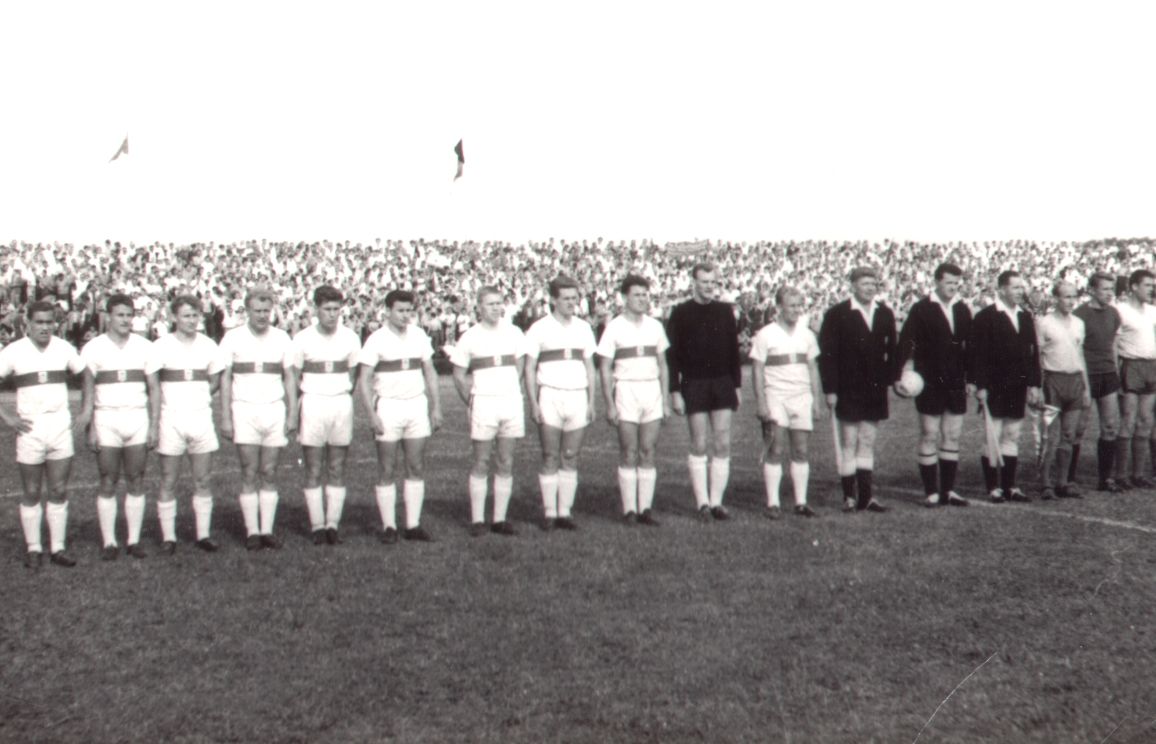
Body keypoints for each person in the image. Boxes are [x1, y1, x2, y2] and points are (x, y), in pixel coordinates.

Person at [0, 300, 86, 568]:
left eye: (50, 322)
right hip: (30, 427)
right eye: (39, 322)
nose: (45, 327)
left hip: (60, 424)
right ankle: (34, 547)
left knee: (59, 488)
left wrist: (85, 413)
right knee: (32, 490)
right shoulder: (13, 352)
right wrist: (7, 416)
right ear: (27, 323)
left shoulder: (64, 348)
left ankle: (58, 548)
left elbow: (87, 376)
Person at [357, 289, 441, 543]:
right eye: (400, 311)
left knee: (415, 466)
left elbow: (430, 372)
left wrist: (436, 407)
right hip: (388, 407)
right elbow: (364, 379)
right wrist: (371, 414)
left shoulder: (418, 336)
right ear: (388, 312)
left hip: (416, 405)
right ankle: (389, 526)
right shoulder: (376, 340)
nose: (405, 316)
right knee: (387, 468)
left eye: (409, 311)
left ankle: (412, 525)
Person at [77, 293, 157, 560]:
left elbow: (154, 389)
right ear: (108, 317)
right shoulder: (93, 348)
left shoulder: (145, 347)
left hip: (136, 419)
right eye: (120, 315)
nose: (125, 320)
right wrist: (90, 427)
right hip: (106, 419)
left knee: (136, 479)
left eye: (128, 315)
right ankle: (109, 542)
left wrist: (154, 425)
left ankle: (133, 541)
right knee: (108, 480)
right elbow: (87, 392)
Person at [218, 286, 298, 551]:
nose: (262, 315)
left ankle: (267, 530)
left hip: (274, 409)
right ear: (247, 311)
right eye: (257, 310)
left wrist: (292, 412)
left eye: (266, 310)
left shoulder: (282, 337)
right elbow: (226, 378)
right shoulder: (232, 338)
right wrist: (226, 416)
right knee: (249, 471)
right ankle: (252, 531)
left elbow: (289, 377)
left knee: (270, 471)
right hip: (244, 409)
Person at [146, 295, 226, 553]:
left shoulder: (208, 345)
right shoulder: (160, 346)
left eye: (195, 316)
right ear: (173, 318)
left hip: (201, 418)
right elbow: (154, 385)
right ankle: (169, 537)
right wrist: (156, 422)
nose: (191, 320)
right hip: (171, 420)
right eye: (185, 316)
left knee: (202, 480)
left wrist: (199, 397)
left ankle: (203, 535)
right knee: (168, 480)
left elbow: (215, 381)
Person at [666, 263, 742, 521]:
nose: (710, 286)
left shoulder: (725, 311)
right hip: (694, 383)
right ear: (694, 283)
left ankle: (717, 502)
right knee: (699, 442)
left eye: (713, 282)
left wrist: (737, 386)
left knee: (722, 442)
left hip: (722, 383)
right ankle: (702, 504)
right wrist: (675, 390)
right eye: (705, 281)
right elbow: (672, 356)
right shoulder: (680, 312)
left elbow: (733, 352)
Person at [818, 267, 897, 513]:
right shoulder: (837, 314)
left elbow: (892, 351)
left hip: (874, 388)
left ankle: (866, 497)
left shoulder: (884, 313)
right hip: (847, 387)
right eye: (865, 283)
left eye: (873, 283)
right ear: (853, 285)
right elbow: (827, 356)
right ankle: (848, 497)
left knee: (867, 441)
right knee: (849, 441)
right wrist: (830, 389)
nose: (870, 287)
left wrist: (890, 379)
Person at [451, 286, 528, 536]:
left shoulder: (514, 332)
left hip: (510, 402)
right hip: (483, 403)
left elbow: (520, 363)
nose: (496, 308)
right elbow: (459, 375)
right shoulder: (470, 336)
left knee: (505, 461)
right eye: (490, 304)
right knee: (481, 461)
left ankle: (499, 519)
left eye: (498, 303)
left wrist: (509, 388)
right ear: (479, 308)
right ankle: (477, 520)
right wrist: (472, 401)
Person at [895, 262, 972, 508]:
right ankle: (931, 492)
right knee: (929, 434)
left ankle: (948, 490)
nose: (953, 287)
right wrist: (898, 374)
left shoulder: (962, 309)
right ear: (937, 281)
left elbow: (971, 347)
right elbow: (905, 342)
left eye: (956, 283)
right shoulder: (921, 309)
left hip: (956, 381)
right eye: (949, 282)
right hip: (929, 381)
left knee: (952, 435)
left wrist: (972, 378)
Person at [524, 275, 598, 530]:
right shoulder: (539, 328)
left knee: (570, 455)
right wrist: (533, 402)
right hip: (550, 396)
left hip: (577, 396)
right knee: (549, 455)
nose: (571, 303)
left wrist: (591, 401)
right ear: (553, 300)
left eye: (574, 298)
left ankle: (564, 512)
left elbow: (590, 367)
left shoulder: (584, 328)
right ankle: (549, 513)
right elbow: (529, 367)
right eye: (565, 298)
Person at [596, 275, 671, 526]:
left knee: (648, 451)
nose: (643, 299)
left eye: (645, 294)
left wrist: (665, 400)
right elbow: (604, 368)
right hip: (626, 391)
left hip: (651, 391)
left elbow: (662, 365)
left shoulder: (655, 326)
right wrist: (609, 403)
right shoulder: (614, 327)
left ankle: (645, 509)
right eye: (637, 295)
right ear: (625, 297)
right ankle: (629, 509)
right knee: (629, 451)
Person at [289, 286, 361, 545]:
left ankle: (333, 524)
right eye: (327, 309)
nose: (332, 314)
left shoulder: (351, 337)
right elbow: (293, 376)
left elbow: (353, 375)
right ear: (316, 310)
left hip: (340, 403)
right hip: (312, 404)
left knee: (337, 466)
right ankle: (317, 525)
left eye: (336, 310)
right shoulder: (302, 339)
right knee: (313, 467)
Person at [969, 270, 1042, 503]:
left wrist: (1034, 384)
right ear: (1001, 289)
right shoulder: (985, 317)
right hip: (994, 387)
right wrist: (980, 385)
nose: (1021, 292)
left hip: (1017, 386)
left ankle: (1010, 486)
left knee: (1013, 434)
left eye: (1022, 287)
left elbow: (1032, 355)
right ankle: (993, 487)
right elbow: (977, 355)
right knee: (994, 434)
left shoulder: (1025, 316)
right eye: (1015, 287)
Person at [750, 287, 820, 519]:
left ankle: (801, 502)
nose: (797, 310)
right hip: (775, 396)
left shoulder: (807, 334)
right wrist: (761, 401)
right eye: (792, 305)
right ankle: (773, 503)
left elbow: (812, 369)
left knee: (801, 450)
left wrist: (816, 400)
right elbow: (757, 370)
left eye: (800, 305)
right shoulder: (766, 334)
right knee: (776, 449)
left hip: (801, 397)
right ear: (779, 308)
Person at [1035, 281, 1091, 499]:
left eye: (1073, 296)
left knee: (1069, 434)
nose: (1070, 301)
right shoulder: (1044, 322)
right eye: (1066, 296)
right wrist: (1039, 387)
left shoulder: (1078, 323)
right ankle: (1046, 482)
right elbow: (1038, 357)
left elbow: (1080, 356)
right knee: (1050, 435)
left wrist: (1085, 387)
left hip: (1074, 382)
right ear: (1056, 298)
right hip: (1053, 382)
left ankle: (1063, 481)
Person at [1072, 273, 1122, 491]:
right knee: (1079, 428)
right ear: (1092, 290)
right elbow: (1075, 348)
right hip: (1086, 376)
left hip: (1107, 375)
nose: (1109, 293)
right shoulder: (1080, 314)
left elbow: (1113, 345)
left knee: (1110, 427)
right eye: (1105, 289)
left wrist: (1116, 371)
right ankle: (1069, 478)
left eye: (1112, 289)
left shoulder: (1113, 313)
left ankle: (1105, 479)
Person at [1111, 270, 1156, 489]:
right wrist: (1115, 371)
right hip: (1130, 366)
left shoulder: (1152, 311)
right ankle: (1121, 474)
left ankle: (1138, 474)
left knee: (1146, 421)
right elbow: (1114, 344)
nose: (1151, 289)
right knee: (1128, 420)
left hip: (1151, 366)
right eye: (1147, 285)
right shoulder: (1121, 311)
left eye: (1152, 285)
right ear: (1134, 287)